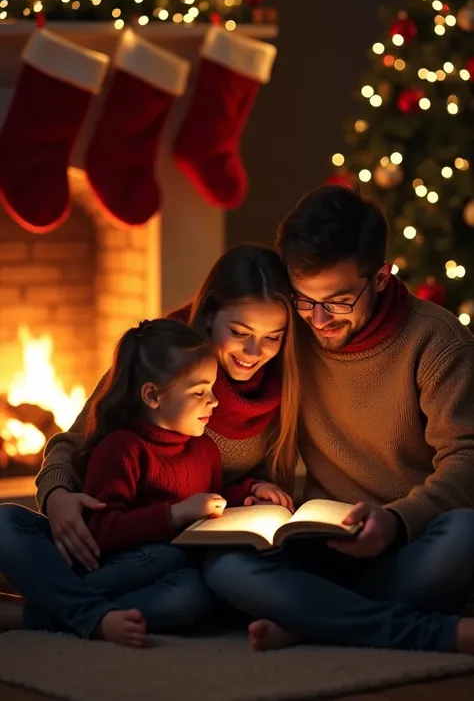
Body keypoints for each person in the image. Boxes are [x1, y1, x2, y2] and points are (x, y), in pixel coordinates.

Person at [203, 185, 474, 652]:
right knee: (224, 567)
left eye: (339, 301)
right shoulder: (288, 326)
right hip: (322, 543)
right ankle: (423, 631)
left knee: (467, 534)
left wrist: (396, 519)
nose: (319, 319)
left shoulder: (436, 341)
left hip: (411, 537)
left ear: (382, 277)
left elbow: (468, 460)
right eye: (303, 300)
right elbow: (174, 339)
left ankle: (312, 616)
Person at [0, 245, 297, 636]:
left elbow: (217, 488)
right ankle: (82, 611)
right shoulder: (160, 358)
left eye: (272, 337)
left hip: (180, 551)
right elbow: (74, 443)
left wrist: (254, 490)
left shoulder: (285, 381)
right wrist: (56, 496)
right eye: (240, 333)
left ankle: (43, 612)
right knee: (6, 521)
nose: (255, 352)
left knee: (188, 595)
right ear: (208, 316)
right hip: (115, 545)